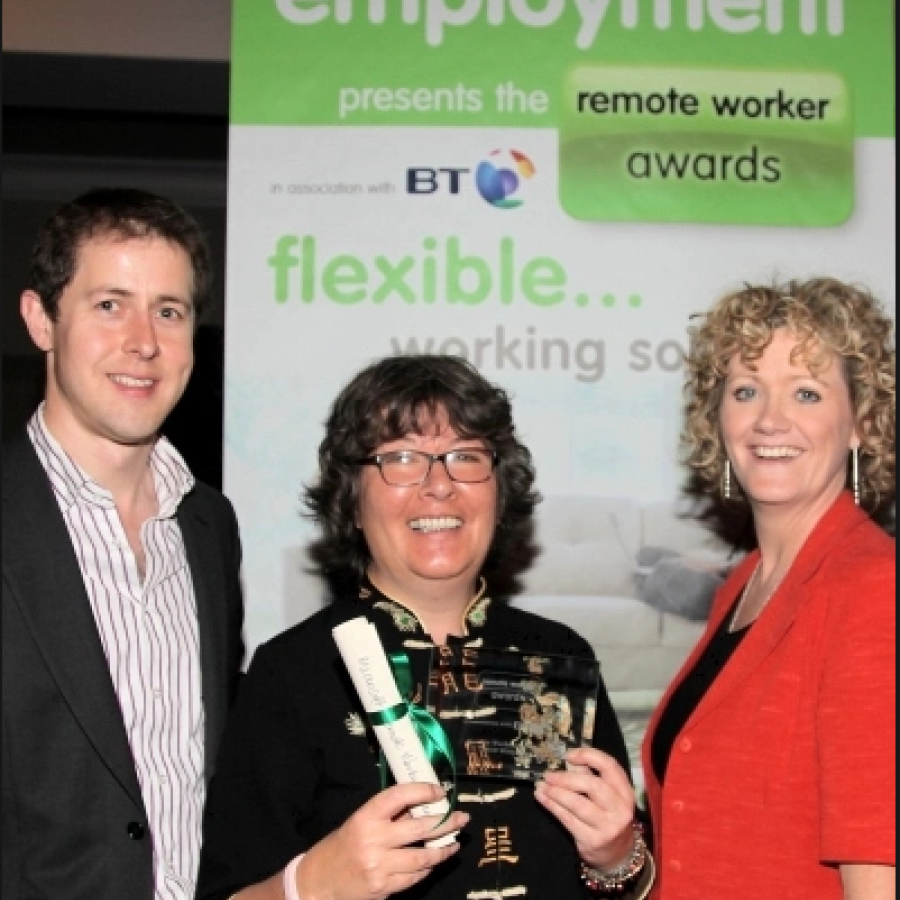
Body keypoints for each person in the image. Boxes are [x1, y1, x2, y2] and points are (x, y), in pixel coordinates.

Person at [196, 354, 655, 900]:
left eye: (464, 456)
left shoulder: (558, 654)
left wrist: (619, 856)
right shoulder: (292, 672)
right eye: (402, 458)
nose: (438, 486)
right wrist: (314, 884)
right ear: (352, 496)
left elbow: (626, 887)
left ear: (498, 489)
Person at [1, 188, 245, 900]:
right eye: (110, 304)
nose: (144, 341)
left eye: (169, 311)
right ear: (40, 319)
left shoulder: (209, 528)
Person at [642, 277, 895, 899]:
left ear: (861, 423)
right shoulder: (742, 586)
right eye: (746, 390)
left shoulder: (873, 590)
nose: (770, 419)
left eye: (806, 393)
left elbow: (877, 868)